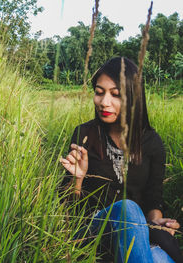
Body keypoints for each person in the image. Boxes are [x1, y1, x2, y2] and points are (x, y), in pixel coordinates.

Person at [59, 57, 181, 262]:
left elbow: (153, 198)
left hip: (136, 234)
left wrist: (158, 222)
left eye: (116, 95)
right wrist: (77, 179)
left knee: (160, 259)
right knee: (127, 208)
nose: (104, 102)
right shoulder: (85, 134)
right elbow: (67, 209)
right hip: (93, 230)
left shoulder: (152, 143)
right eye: (99, 92)